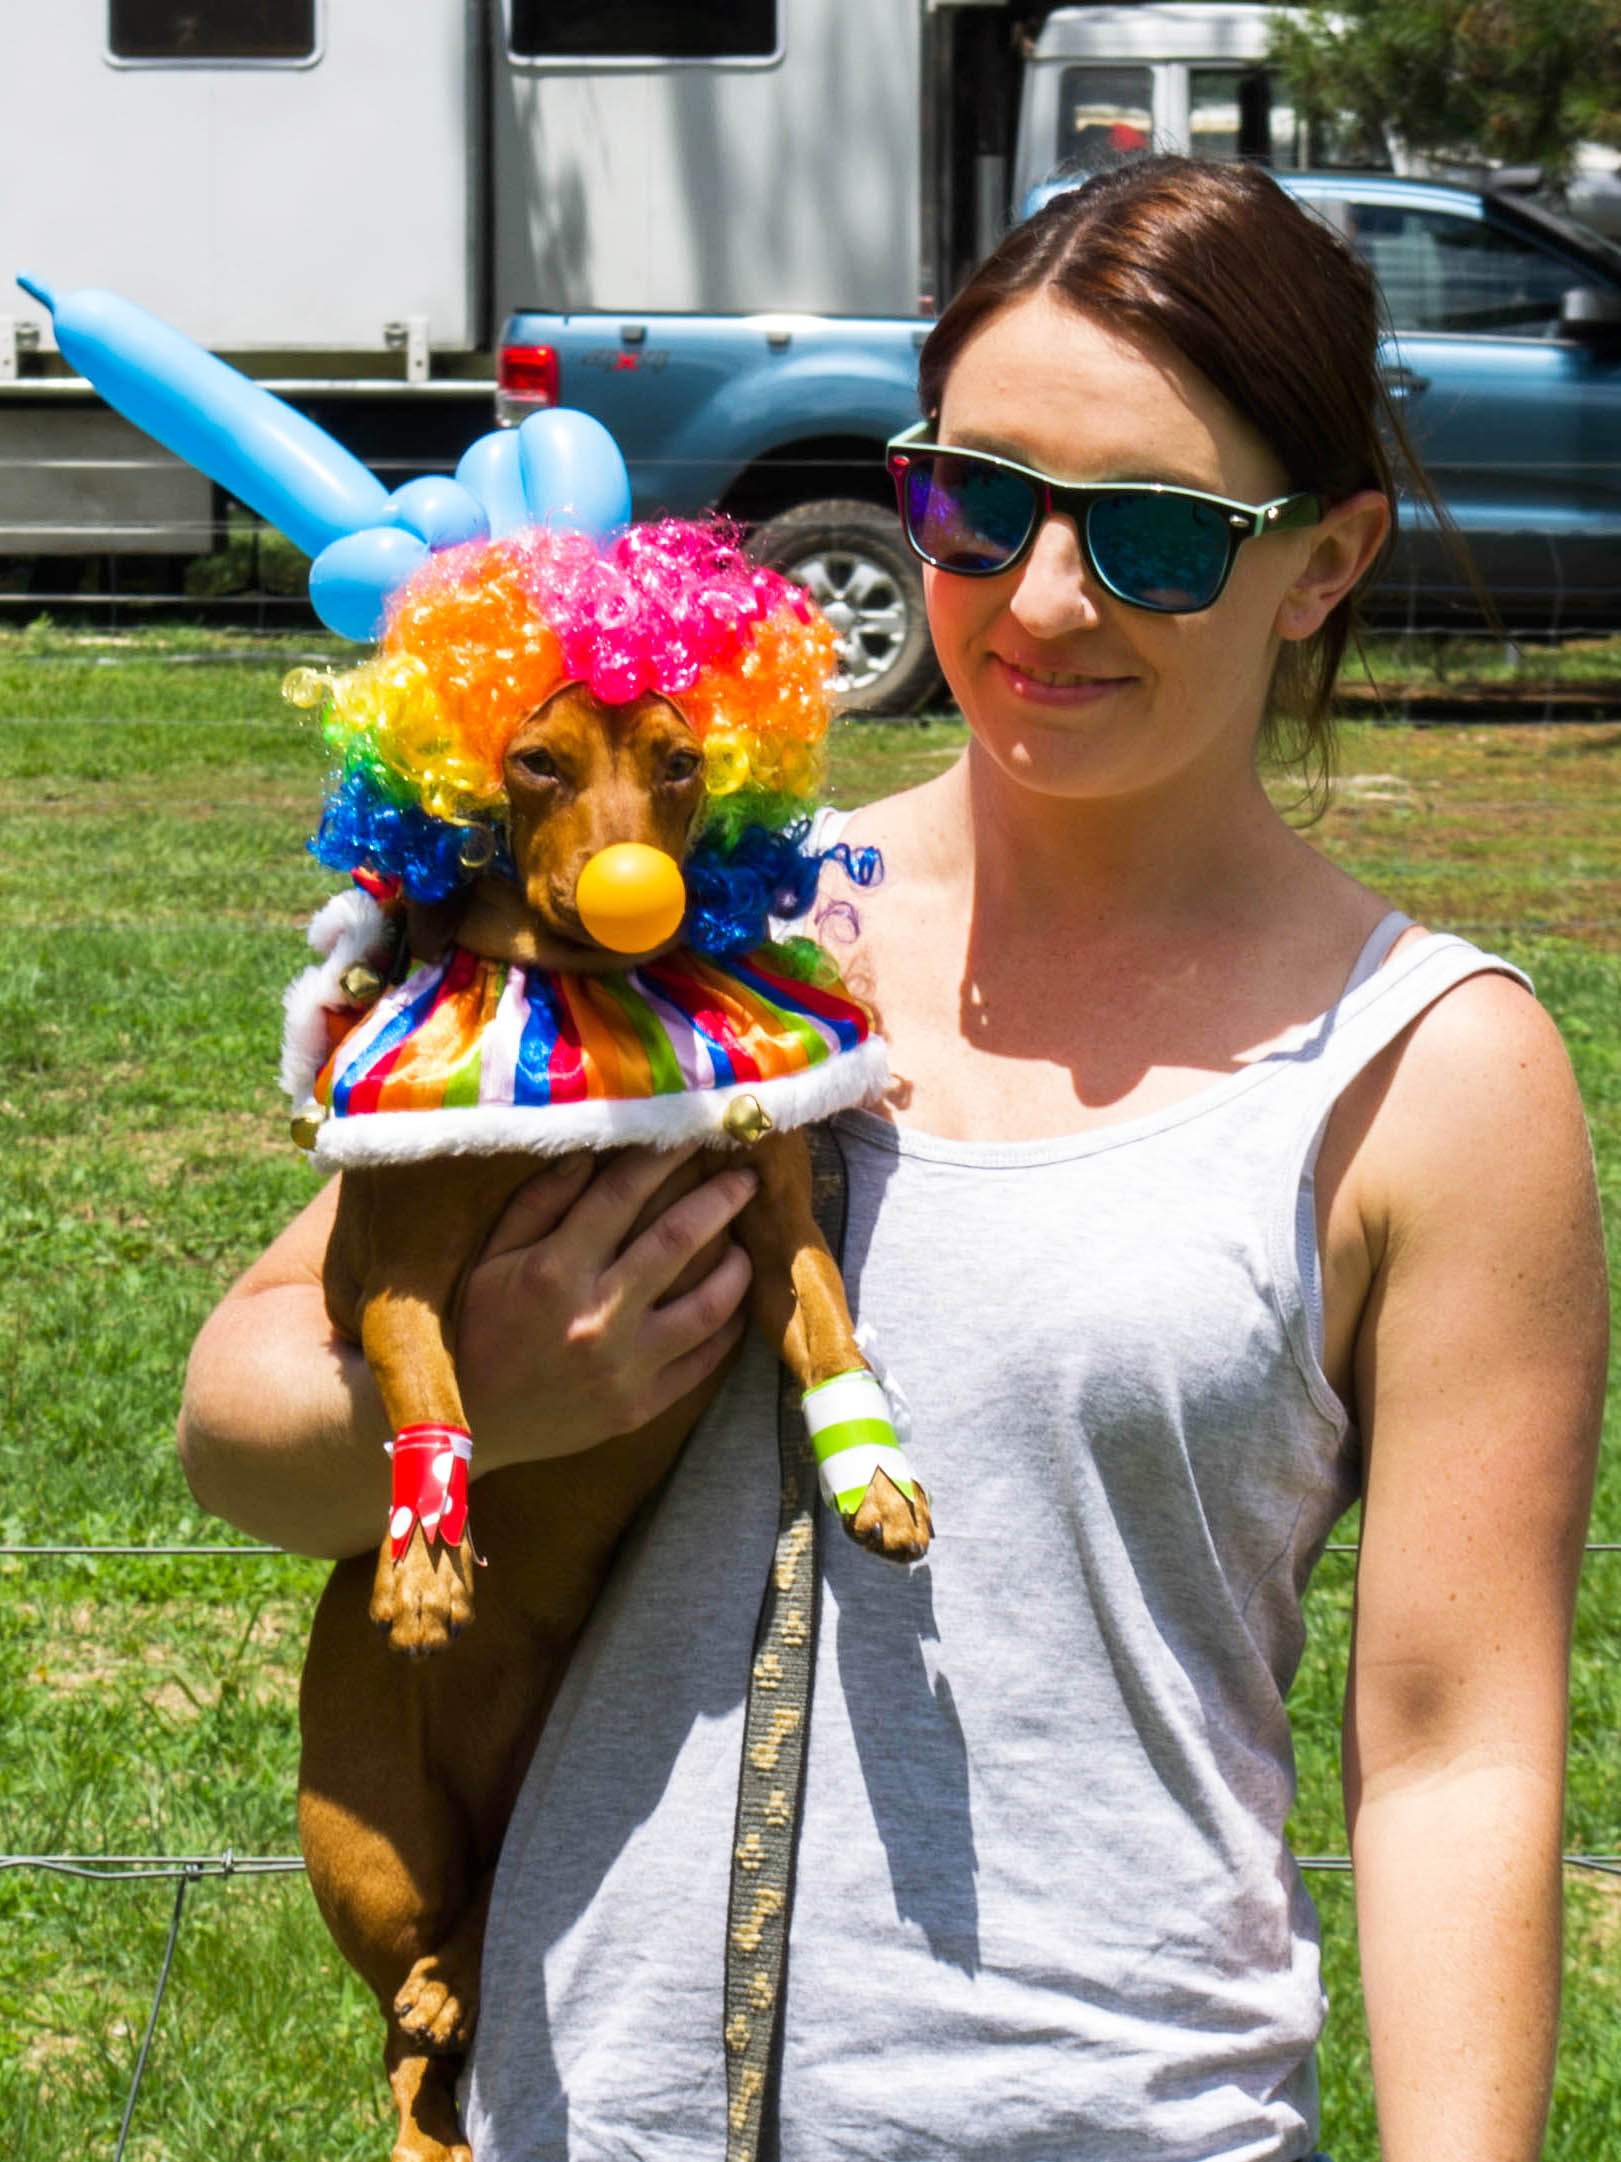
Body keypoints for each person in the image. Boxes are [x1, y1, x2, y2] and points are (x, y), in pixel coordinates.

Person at [178, 156, 1606, 2162]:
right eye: (977, 499)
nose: (1039, 597)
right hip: (582, 2114)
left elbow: (1455, 1750)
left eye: (1160, 539)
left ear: (1326, 560)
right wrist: (485, 1404)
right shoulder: (703, 949)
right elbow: (240, 1426)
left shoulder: (1428, 1072)